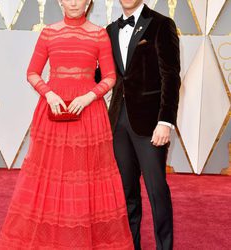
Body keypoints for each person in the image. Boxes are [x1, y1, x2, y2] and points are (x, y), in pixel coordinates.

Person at [0, 0, 134, 249]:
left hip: (89, 114)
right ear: (60, 1)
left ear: (89, 2)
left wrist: (89, 96)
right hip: (53, 111)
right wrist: (49, 94)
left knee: (85, 175)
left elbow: (111, 76)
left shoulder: (99, 34)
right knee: (50, 176)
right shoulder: (49, 32)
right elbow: (32, 72)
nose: (73, 2)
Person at [106, 1, 181, 249]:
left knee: (157, 191)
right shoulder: (110, 30)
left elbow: (171, 76)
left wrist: (165, 121)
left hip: (151, 123)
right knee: (126, 194)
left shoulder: (161, 24)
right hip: (118, 122)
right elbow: (108, 76)